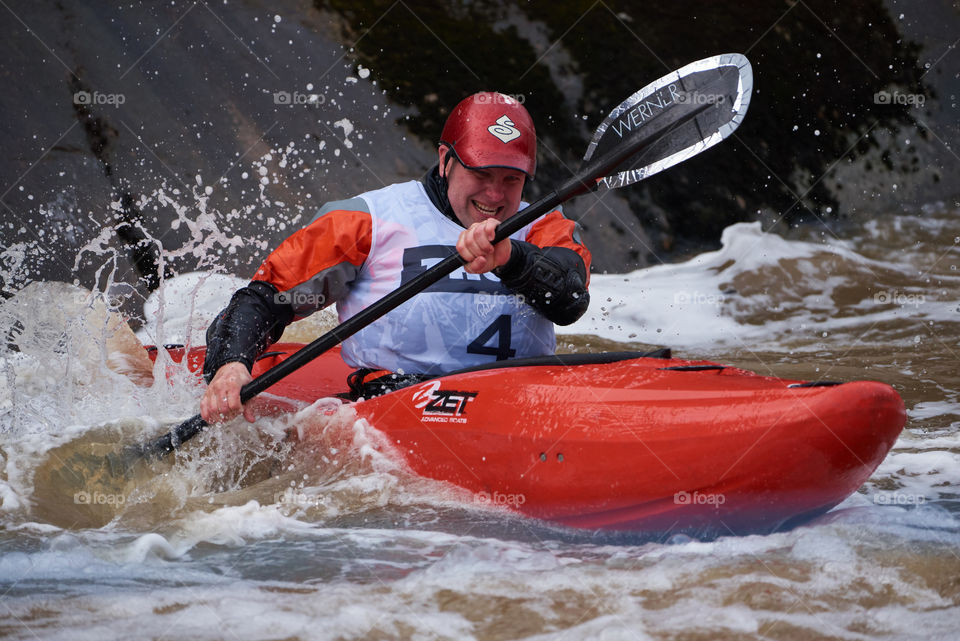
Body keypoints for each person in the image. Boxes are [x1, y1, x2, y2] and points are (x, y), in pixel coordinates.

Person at [201, 92, 591, 423]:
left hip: (519, 401)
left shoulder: (545, 226)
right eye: (482, 174)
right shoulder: (365, 220)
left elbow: (570, 300)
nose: (494, 195)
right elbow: (266, 298)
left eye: (511, 179)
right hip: (397, 400)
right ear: (445, 160)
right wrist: (233, 363)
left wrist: (512, 259)